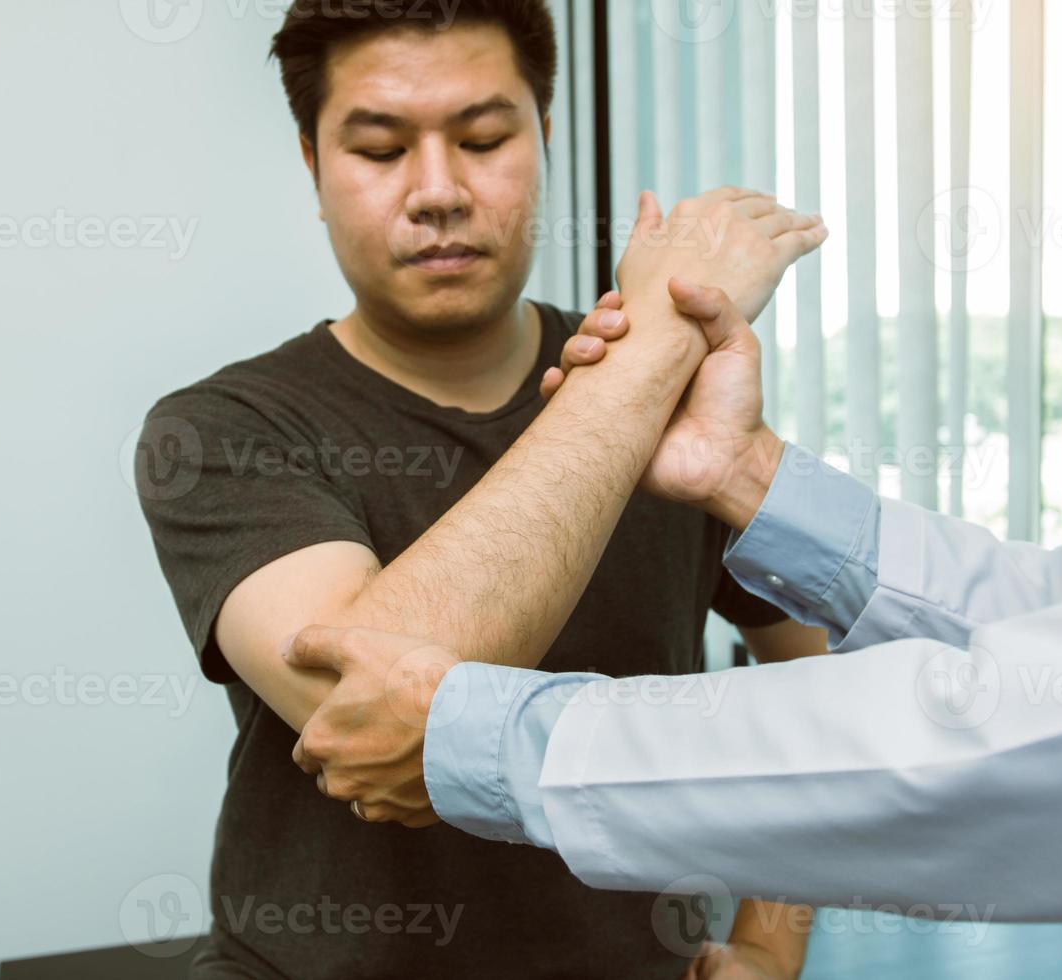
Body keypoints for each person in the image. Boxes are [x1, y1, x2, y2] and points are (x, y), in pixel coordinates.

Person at [134, 1, 832, 976]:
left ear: (543, 140)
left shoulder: (667, 405)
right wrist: (649, 358)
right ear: (313, 166)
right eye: (379, 149)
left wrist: (769, 944)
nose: (438, 192)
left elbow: (822, 683)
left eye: (484, 138)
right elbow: (386, 707)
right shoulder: (226, 429)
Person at [286, 284, 1062, 980]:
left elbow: (1012, 735)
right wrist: (749, 475)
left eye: (485, 135)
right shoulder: (248, 419)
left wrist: (494, 740)